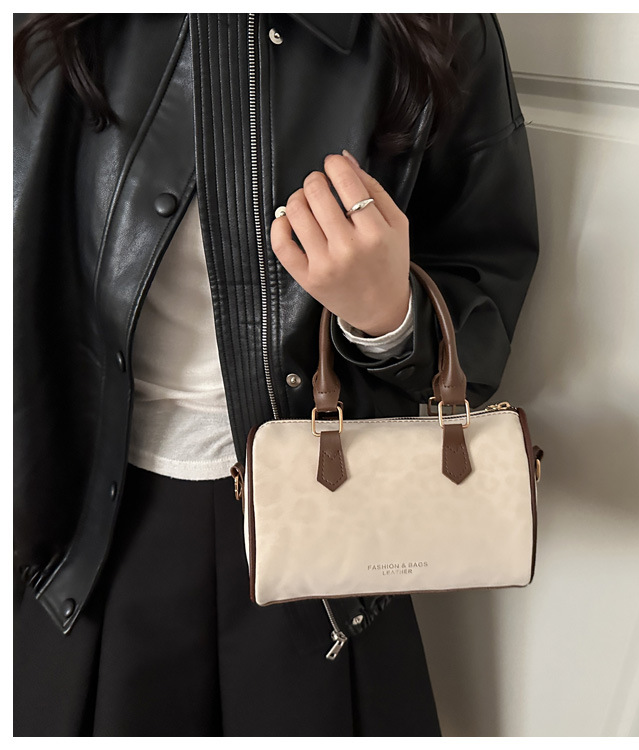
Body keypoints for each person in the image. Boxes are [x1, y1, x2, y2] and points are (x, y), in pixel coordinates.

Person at [13, 13, 539, 737]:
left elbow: (484, 296)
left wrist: (389, 317)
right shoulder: (58, 23)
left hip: (326, 528)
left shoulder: (434, 25)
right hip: (78, 530)